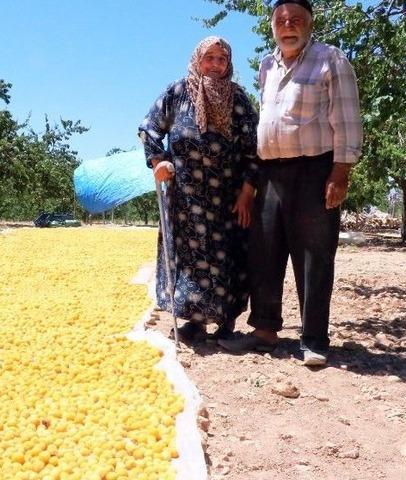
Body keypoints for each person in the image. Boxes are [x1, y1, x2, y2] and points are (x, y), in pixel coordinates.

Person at [218, 0, 362, 366]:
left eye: (296, 20)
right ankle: (264, 332)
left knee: (314, 256)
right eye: (281, 20)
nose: (288, 26)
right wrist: (251, 183)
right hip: (270, 171)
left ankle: (314, 340)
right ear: (272, 27)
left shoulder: (331, 59)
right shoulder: (267, 65)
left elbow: (346, 119)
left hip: (315, 170)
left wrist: (340, 172)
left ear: (310, 25)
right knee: (263, 251)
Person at [139, 36, 259, 341]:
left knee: (228, 256)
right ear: (197, 60)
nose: (216, 65)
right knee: (190, 259)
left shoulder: (240, 100)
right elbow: (149, 129)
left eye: (222, 59)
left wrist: (247, 192)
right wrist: (158, 162)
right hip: (184, 197)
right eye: (210, 58)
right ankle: (194, 320)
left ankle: (226, 322)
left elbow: (254, 149)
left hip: (227, 198)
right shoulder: (177, 92)